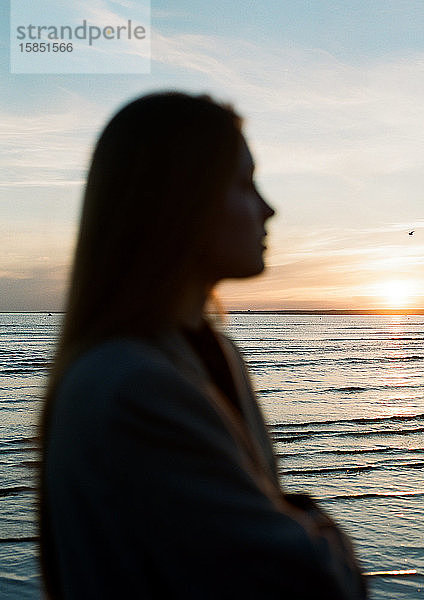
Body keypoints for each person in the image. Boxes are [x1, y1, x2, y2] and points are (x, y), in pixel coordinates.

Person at [39, 92, 367, 599]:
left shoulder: (204, 353)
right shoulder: (135, 386)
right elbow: (305, 583)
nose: (269, 208)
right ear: (179, 199)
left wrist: (297, 527)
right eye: (243, 183)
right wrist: (314, 526)